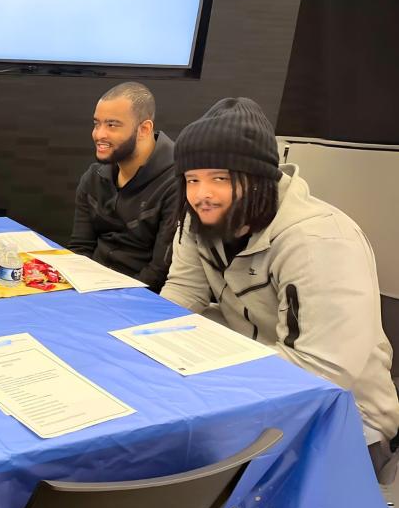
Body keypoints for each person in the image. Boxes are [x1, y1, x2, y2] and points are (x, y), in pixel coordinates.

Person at [160, 97, 399, 471]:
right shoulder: (199, 220)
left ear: (258, 179)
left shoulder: (319, 241)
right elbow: (182, 294)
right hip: (255, 385)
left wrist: (210, 379)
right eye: (192, 179)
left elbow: (322, 372)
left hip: (344, 417)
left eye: (219, 178)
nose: (201, 194)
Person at [68, 82, 178, 292]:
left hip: (141, 298)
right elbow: (80, 248)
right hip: (90, 289)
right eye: (96, 123)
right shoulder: (93, 177)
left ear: (144, 129)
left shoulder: (177, 182)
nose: (99, 134)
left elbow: (160, 271)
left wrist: (116, 300)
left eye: (112, 125)